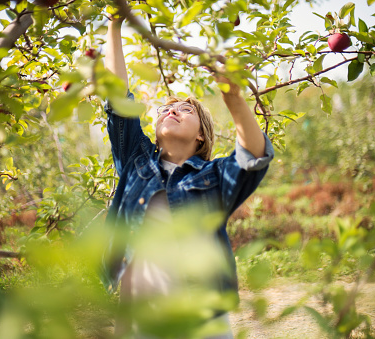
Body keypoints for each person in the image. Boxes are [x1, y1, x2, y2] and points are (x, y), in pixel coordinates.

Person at [101, 15, 275, 339]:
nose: (172, 111)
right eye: (166, 109)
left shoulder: (215, 175)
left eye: (186, 109)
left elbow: (253, 156)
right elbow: (117, 100)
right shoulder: (136, 161)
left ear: (200, 137)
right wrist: (114, 23)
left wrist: (233, 98)